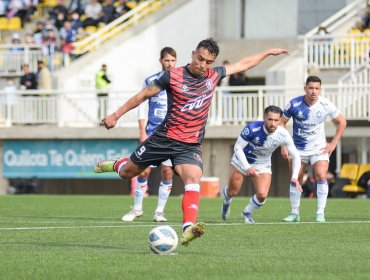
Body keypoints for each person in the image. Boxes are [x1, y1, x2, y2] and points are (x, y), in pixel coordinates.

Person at [94, 38, 289, 246]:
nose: (203, 65)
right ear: (193, 53)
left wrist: (267, 52)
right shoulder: (172, 76)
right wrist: (115, 115)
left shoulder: (213, 75)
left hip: (189, 145)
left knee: (193, 178)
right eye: (200, 59)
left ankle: (188, 228)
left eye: (208, 62)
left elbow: (243, 64)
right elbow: (142, 96)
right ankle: (116, 164)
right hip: (163, 138)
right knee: (127, 173)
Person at [281, 75, 347, 223]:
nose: (313, 91)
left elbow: (342, 122)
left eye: (317, 88)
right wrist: (284, 145)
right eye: (311, 88)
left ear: (320, 89)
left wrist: (333, 143)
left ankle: (320, 213)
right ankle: (294, 213)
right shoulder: (293, 104)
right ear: (305, 88)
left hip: (319, 148)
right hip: (298, 148)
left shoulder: (325, 105)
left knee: (321, 176)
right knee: (295, 178)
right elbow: (281, 123)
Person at [122, 47, 177, 222]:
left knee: (167, 172)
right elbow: (142, 107)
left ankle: (159, 212)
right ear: (161, 61)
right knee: (143, 172)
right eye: (167, 60)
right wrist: (142, 132)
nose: (170, 64)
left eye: (173, 60)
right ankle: (137, 209)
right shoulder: (151, 80)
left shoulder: (181, 81)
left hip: (171, 134)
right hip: (152, 134)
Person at [220, 106, 302, 224]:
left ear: (280, 121)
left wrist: (294, 177)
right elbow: (237, 148)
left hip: (263, 163)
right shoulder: (252, 129)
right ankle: (226, 201)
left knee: (262, 195)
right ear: (264, 118)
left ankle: (247, 212)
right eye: (270, 119)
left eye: (276, 120)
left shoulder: (283, 134)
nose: (272, 123)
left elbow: (296, 156)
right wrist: (247, 167)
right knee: (233, 192)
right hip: (242, 161)